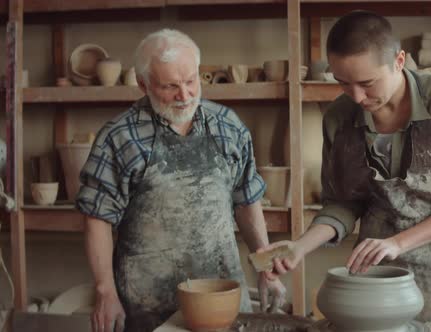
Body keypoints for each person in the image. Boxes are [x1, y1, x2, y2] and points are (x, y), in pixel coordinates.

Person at [260, 11, 431, 321]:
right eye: (343, 83)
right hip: (380, 274)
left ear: (399, 61)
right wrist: (300, 247)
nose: (357, 96)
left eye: (367, 83)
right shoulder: (339, 117)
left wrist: (398, 243)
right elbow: (344, 202)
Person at [76, 29, 286, 332]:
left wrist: (267, 269)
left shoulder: (227, 126)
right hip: (148, 305)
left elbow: (247, 199)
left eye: (191, 81)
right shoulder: (120, 137)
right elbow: (97, 218)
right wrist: (105, 291)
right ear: (143, 83)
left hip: (222, 298)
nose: (185, 95)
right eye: (170, 86)